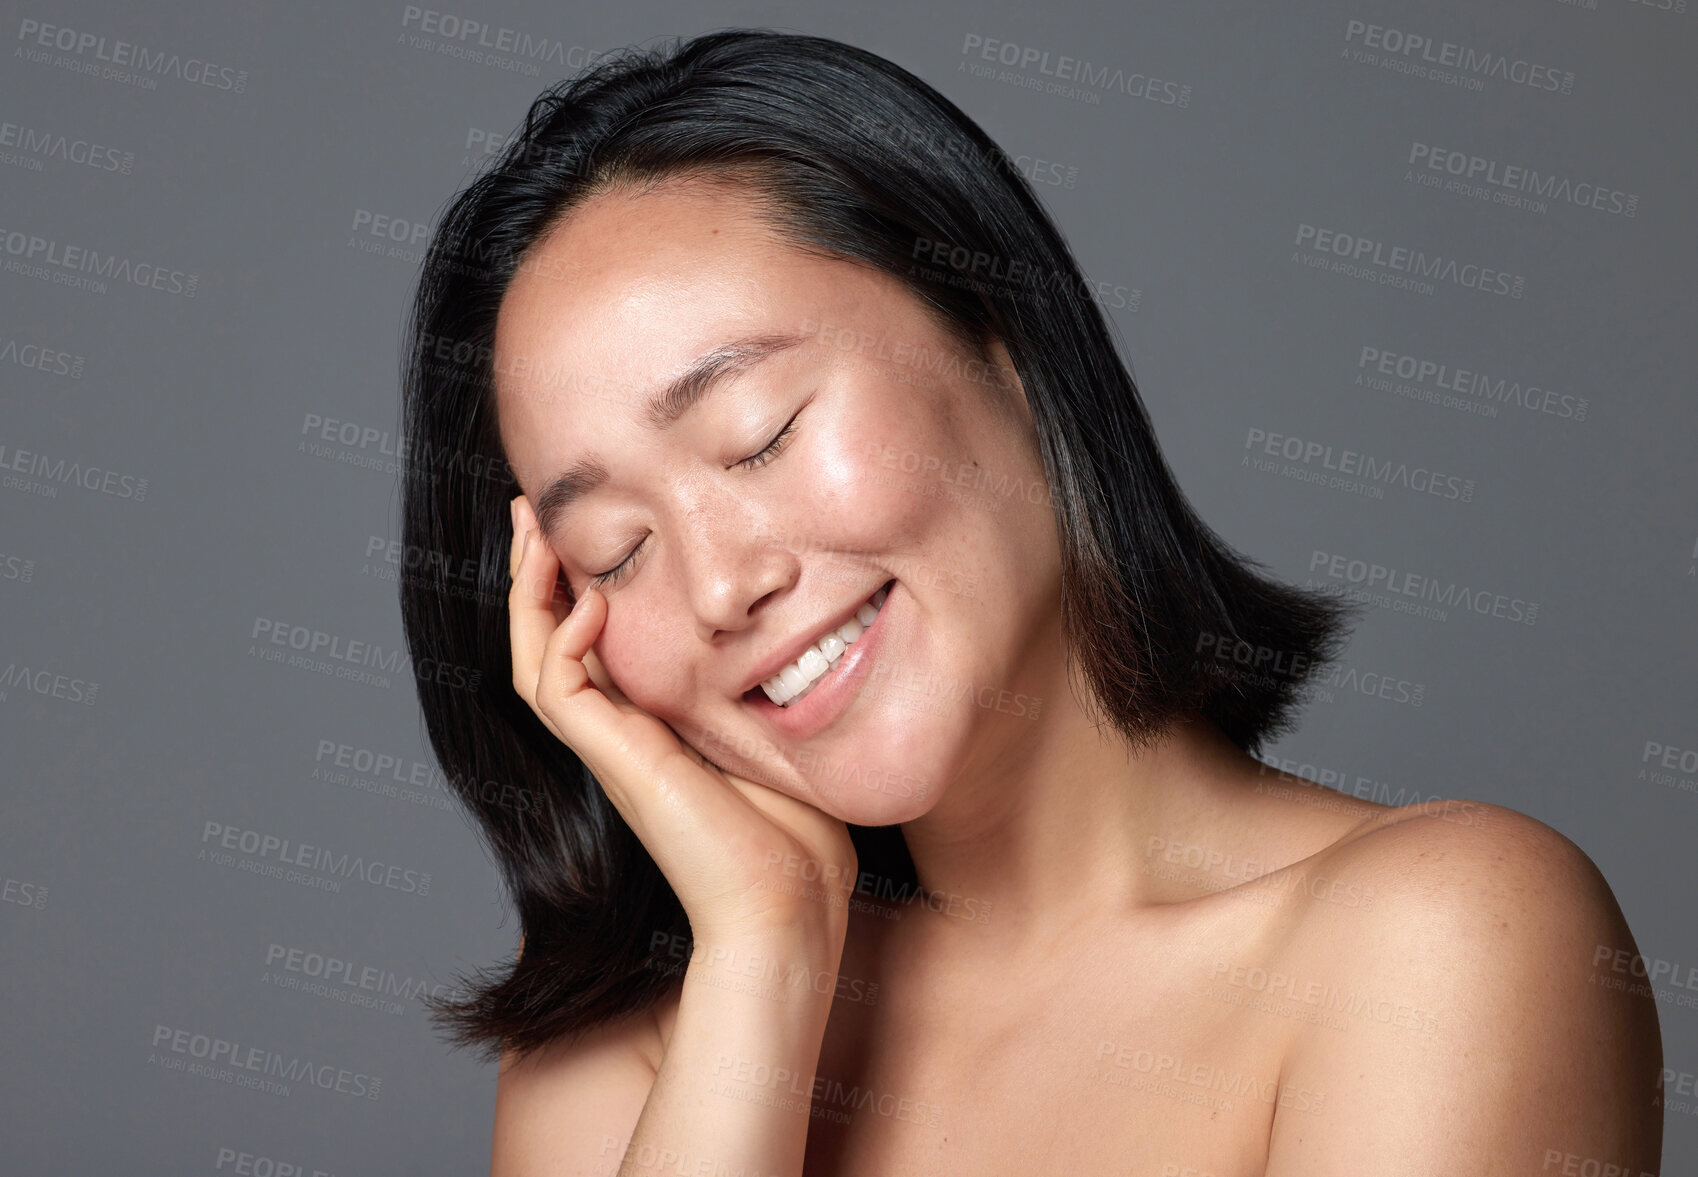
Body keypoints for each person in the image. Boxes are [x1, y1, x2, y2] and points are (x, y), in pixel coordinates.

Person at [397, 28, 1663, 1176]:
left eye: (761, 433)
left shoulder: (1438, 942)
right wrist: (766, 956)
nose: (724, 585)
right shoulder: (629, 1036)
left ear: (1004, 342)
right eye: (616, 553)